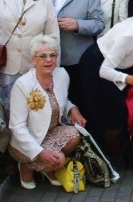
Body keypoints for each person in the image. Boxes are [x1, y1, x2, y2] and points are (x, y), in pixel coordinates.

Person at [76, 0, 133, 172]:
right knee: (113, 116)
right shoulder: (129, 36)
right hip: (98, 65)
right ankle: (103, 161)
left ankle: (132, 156)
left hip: (123, 67)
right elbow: (105, 70)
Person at [8, 36, 85, 189]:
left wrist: (73, 109)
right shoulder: (23, 85)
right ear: (33, 59)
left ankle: (47, 168)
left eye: (52, 55)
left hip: (51, 132)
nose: (48, 60)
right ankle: (26, 166)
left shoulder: (62, 75)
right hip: (25, 142)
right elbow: (17, 127)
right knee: (60, 159)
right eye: (42, 56)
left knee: (74, 135)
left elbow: (62, 100)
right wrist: (40, 152)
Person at [41, 0, 105, 101]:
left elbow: (99, 24)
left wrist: (77, 24)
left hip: (77, 59)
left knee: (77, 100)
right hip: (49, 57)